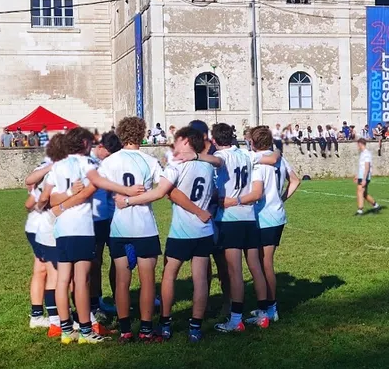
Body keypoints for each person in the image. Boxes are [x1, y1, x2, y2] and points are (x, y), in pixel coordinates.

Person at [117, 127, 215, 343]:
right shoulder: (207, 165)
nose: (174, 143)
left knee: (169, 275)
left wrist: (127, 200)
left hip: (182, 231)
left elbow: (163, 192)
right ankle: (195, 328)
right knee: (200, 279)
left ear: (186, 141)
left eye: (178, 140)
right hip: (204, 230)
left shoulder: (177, 165)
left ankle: (166, 323)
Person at [90, 118, 166, 343]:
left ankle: (125, 330)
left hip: (119, 228)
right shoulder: (149, 161)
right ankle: (145, 329)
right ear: (142, 133)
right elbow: (161, 190)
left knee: (122, 280)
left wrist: (121, 194)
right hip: (144, 227)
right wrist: (136, 197)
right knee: (147, 280)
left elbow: (97, 182)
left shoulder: (110, 161)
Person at [201, 123, 273, 332]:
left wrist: (195, 156)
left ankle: (235, 319)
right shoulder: (247, 155)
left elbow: (216, 160)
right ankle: (263, 313)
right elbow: (272, 158)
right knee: (255, 266)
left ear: (214, 141)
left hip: (230, 219)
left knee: (235, 271)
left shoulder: (224, 157)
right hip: (249, 217)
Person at [224, 126, 300, 325]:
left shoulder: (255, 162)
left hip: (262, 217)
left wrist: (235, 201)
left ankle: (271, 308)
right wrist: (281, 198)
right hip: (277, 215)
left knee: (264, 263)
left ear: (253, 142)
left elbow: (257, 192)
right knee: (260, 262)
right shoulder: (279, 158)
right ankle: (265, 306)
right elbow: (296, 180)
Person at [43, 127, 108, 345]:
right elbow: (95, 186)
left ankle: (65, 329)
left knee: (63, 280)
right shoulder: (86, 164)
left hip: (62, 228)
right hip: (81, 227)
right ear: (84, 144)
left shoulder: (57, 166)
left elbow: (50, 200)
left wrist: (67, 197)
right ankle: (86, 331)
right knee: (82, 280)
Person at [28, 135, 66, 337]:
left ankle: (38, 315)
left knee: (41, 269)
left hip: (39, 224)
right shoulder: (49, 166)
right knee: (51, 272)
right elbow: (29, 181)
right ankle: (55, 319)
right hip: (42, 224)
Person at [86, 131, 124, 321]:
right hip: (94, 219)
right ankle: (95, 302)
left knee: (119, 259)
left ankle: (119, 299)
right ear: (99, 148)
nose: (109, 159)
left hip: (113, 216)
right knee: (95, 262)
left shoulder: (112, 163)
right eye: (108, 155)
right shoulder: (88, 164)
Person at [355, 138, 381, 216]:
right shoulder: (362, 153)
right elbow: (361, 166)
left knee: (360, 191)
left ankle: (360, 210)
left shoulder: (366, 153)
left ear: (360, 144)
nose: (357, 146)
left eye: (357, 144)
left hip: (365, 176)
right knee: (364, 194)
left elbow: (367, 166)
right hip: (361, 176)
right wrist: (357, 175)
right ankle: (376, 206)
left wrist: (364, 179)